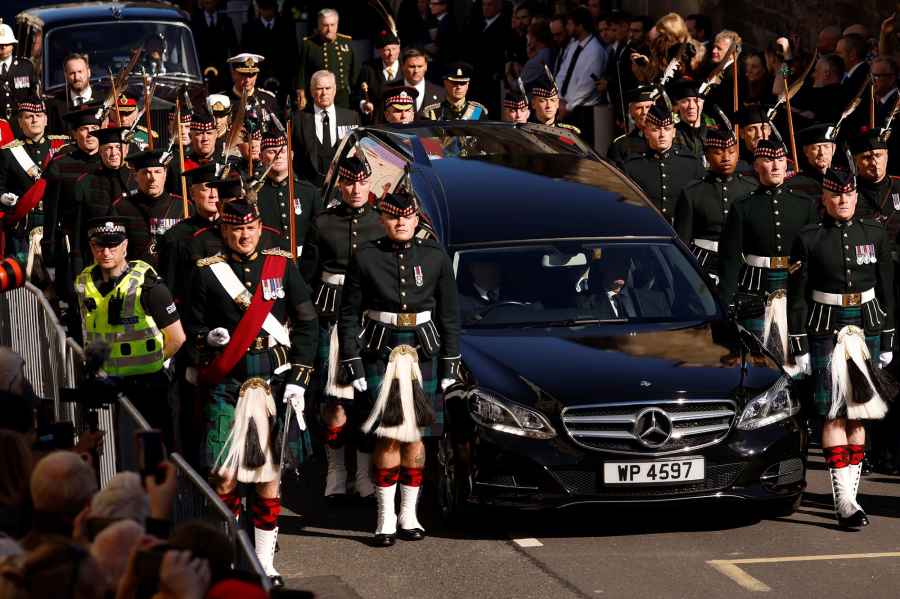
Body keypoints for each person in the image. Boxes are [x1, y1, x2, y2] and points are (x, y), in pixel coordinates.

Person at [188, 197, 318, 586]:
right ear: (223, 231)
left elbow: (308, 323)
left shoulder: (282, 265)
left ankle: (264, 563)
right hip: (228, 383)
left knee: (267, 476)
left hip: (274, 382)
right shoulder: (207, 274)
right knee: (224, 479)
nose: (242, 235)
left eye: (249, 228)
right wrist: (205, 339)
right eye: (234, 229)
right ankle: (231, 556)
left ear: (260, 228)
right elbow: (190, 330)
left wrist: (300, 377)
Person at [338, 191, 460, 546]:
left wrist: (451, 362)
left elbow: (450, 315)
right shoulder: (366, 257)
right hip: (380, 350)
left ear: (417, 219)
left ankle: (409, 514)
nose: (401, 222)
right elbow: (348, 315)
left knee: (416, 438)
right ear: (383, 220)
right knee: (388, 435)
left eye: (407, 217)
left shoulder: (435, 256)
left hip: (423, 351)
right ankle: (385, 517)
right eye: (394, 217)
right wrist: (353, 362)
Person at [787, 167, 894, 529]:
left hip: (866, 325)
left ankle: (852, 495)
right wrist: (798, 342)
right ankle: (843, 500)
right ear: (825, 199)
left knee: (859, 415)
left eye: (848, 194)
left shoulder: (874, 233)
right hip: (824, 328)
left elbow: (886, 287)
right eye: (836, 195)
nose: (843, 200)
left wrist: (888, 335)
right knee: (833, 413)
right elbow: (798, 296)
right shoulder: (809, 238)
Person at [301, 155, 384, 502]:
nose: (355, 189)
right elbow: (307, 274)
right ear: (340, 185)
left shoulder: (382, 223)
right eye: (349, 183)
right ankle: (336, 470)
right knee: (333, 401)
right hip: (330, 317)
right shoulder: (322, 223)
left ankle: (364, 473)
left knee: (366, 401)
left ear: (370, 184)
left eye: (361, 182)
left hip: (369, 319)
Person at [74, 217, 186, 438]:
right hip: (103, 383)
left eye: (113, 245)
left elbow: (177, 338)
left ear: (125, 246)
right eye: (100, 245)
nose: (106, 252)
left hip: (147, 387)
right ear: (91, 246)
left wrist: (152, 361)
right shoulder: (82, 282)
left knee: (151, 451)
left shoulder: (149, 286)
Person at [719, 139, 818, 364]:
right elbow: (730, 258)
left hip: (795, 287)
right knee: (758, 360)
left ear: (787, 166)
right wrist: (726, 302)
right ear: (756, 166)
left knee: (801, 360)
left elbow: (815, 252)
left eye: (780, 161)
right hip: (754, 288)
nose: (775, 166)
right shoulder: (742, 206)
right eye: (768, 160)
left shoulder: (805, 204)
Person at [674, 128, 758, 282]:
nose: (726, 158)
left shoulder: (751, 188)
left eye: (731, 152)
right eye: (719, 152)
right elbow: (683, 241)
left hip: (742, 263)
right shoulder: (692, 192)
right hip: (702, 261)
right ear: (706, 155)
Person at [0, 96, 68, 256]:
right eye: (29, 116)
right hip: (24, 223)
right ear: (20, 122)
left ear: (46, 120)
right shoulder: (8, 152)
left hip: (56, 220)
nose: (34, 120)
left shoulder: (62, 146)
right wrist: (3, 197)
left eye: (38, 116)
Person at [622, 103, 705, 222]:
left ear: (674, 132)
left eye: (667, 129)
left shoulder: (691, 164)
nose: (662, 135)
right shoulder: (631, 166)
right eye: (655, 130)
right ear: (646, 132)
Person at [72, 127, 135, 271]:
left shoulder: (136, 179)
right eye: (108, 148)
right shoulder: (86, 182)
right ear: (100, 152)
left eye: (118, 147)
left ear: (125, 150)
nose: (113, 153)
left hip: (132, 256)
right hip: (98, 257)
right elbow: (78, 227)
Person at [113, 149, 188, 268]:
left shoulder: (183, 206)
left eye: (157, 172)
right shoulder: (122, 207)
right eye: (146, 172)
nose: (152, 178)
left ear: (165, 174)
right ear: (135, 176)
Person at [255, 130, 320, 254]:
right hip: (268, 264)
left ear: (291, 155)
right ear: (261, 157)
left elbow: (319, 236)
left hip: (304, 264)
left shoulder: (309, 192)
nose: (278, 155)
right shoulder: (254, 194)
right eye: (271, 152)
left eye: (282, 151)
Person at [292, 70, 360, 186]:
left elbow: (358, 155)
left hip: (342, 188)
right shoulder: (298, 119)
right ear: (312, 91)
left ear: (334, 90)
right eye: (319, 89)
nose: (324, 93)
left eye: (328, 88)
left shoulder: (351, 117)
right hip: (308, 187)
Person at [554, 7, 606, 137]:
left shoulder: (595, 50)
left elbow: (587, 85)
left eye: (570, 24)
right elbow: (563, 72)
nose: (567, 28)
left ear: (580, 26)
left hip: (582, 110)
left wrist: (568, 106)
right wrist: (558, 97)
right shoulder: (573, 45)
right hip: (563, 106)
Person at [298, 8, 359, 110]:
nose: (329, 29)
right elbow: (301, 71)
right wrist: (301, 93)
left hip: (342, 97)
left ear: (337, 24)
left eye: (332, 25)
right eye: (325, 25)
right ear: (319, 25)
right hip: (318, 96)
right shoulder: (309, 44)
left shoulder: (346, 42)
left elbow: (354, 72)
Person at [240, 0, 299, 102]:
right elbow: (246, 55)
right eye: (264, 8)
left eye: (269, 8)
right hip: (259, 77)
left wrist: (293, 77)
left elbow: (293, 53)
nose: (267, 12)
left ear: (275, 8)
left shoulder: (287, 26)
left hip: (283, 77)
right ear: (259, 8)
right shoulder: (249, 28)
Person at [191, 0, 239, 92]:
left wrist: (235, 70)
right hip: (201, 69)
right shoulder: (194, 21)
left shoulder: (226, 21)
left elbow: (234, 48)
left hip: (222, 71)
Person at [358, 29, 403, 123]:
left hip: (402, 122)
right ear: (379, 51)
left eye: (394, 49)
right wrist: (364, 105)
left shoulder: (406, 67)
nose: (391, 54)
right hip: (377, 122)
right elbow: (358, 95)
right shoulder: (368, 69)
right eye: (387, 50)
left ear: (399, 49)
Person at [606, 85, 654, 167]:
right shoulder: (620, 146)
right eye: (639, 108)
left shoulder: (671, 138)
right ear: (631, 113)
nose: (644, 112)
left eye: (648, 107)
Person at [46, 54, 95, 134]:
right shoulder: (55, 105)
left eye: (80, 72)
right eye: (72, 73)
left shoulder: (104, 100)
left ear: (89, 72)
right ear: (65, 76)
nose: (77, 77)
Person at [423, 62, 487, 121]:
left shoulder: (477, 112)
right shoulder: (432, 112)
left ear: (467, 85)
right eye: (454, 83)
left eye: (463, 83)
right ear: (445, 83)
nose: (459, 87)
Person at [788, 124, 835, 201]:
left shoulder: (843, 178)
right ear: (806, 151)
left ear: (834, 149)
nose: (821, 153)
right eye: (815, 148)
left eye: (826, 146)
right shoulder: (797, 184)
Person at [223, 53, 279, 118]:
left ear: (257, 75)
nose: (247, 80)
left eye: (251, 75)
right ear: (234, 74)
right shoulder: (222, 102)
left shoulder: (269, 100)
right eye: (243, 74)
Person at [0, 24, 35, 123]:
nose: (3, 47)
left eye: (7, 43)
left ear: (13, 45)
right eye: (0, 44)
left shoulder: (26, 66)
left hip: (21, 123)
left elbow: (34, 97)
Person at [400, 48, 445, 118]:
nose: (416, 71)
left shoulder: (440, 93)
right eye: (412, 67)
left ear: (426, 67)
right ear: (403, 67)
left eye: (420, 66)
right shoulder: (390, 90)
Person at [669, 79, 706, 158]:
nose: (691, 106)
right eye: (685, 101)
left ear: (703, 104)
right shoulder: (671, 135)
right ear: (678, 104)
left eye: (696, 101)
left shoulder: (711, 135)